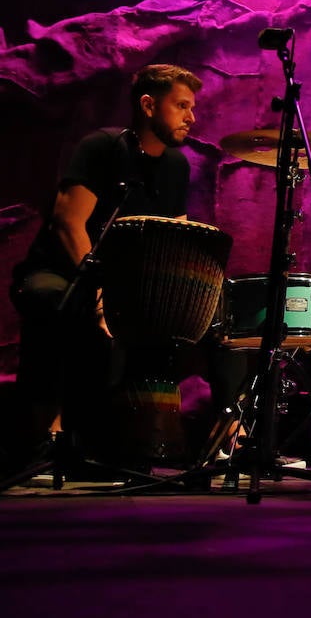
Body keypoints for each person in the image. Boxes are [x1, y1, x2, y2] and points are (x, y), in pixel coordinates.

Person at [8, 63, 203, 458]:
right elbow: (68, 222)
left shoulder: (176, 166)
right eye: (181, 105)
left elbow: (172, 236)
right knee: (65, 304)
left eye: (192, 107)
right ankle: (50, 435)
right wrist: (100, 289)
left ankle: (201, 439)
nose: (191, 117)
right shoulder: (103, 147)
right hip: (60, 272)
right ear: (148, 105)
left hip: (123, 284)